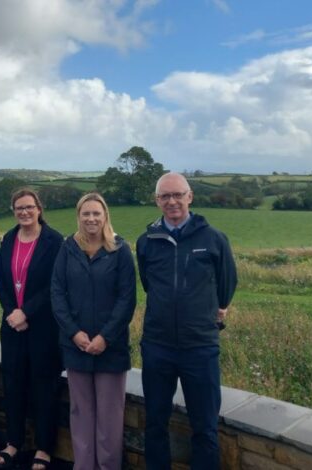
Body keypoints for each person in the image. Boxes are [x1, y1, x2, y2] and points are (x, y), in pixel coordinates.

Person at [136, 172, 237, 469]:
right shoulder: (146, 242)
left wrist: (218, 309)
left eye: (178, 194)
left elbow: (227, 283)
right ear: (157, 201)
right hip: (157, 346)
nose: (172, 201)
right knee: (155, 423)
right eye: (165, 196)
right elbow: (147, 283)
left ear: (190, 196)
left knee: (204, 427)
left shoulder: (214, 239)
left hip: (200, 346)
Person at [51, 192, 136, 470]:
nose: (91, 218)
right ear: (78, 216)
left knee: (110, 416)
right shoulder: (67, 248)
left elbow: (127, 299)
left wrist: (105, 337)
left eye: (96, 213)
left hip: (110, 348)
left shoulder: (120, 250)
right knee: (80, 412)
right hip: (75, 345)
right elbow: (57, 293)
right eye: (86, 213)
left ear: (105, 216)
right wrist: (74, 333)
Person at [0, 189, 64, 470]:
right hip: (13, 326)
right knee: (13, 385)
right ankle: (13, 442)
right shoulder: (9, 238)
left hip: (43, 328)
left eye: (29, 207)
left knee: (44, 387)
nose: (24, 212)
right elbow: (1, 278)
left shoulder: (54, 241)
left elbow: (54, 285)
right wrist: (12, 311)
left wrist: (27, 312)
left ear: (39, 208)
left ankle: (45, 448)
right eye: (19, 208)